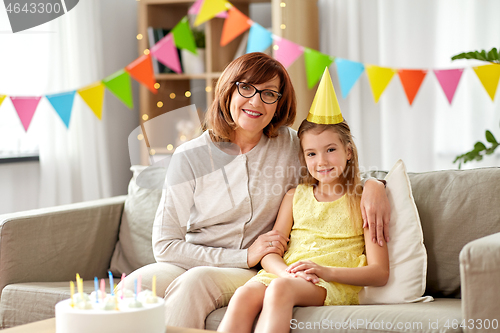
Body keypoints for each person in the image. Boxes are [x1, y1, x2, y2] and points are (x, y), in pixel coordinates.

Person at [121, 53, 390, 329]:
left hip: (252, 270)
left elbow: (333, 168)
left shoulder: (290, 146)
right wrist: (243, 254)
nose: (256, 101)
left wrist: (374, 185)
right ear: (228, 90)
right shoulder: (190, 156)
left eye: (269, 93)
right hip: (199, 259)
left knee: (196, 282)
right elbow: (164, 245)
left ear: (278, 103)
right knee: (133, 287)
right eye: (246, 88)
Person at [217, 69, 389, 333]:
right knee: (242, 295)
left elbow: (379, 272)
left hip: (330, 281)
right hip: (288, 275)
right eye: (311, 153)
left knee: (280, 289)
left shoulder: (362, 200)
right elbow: (271, 251)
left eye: (331, 150)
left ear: (349, 152)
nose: (321, 161)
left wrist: (324, 272)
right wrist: (286, 272)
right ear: (303, 158)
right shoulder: (294, 196)